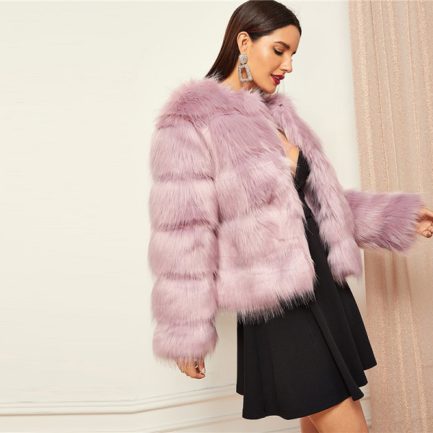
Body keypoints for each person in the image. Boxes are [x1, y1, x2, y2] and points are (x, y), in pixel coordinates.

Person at [148, 1, 433, 431]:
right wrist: (186, 331)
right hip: (278, 303)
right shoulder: (190, 122)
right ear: (244, 42)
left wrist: (399, 218)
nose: (288, 65)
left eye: (293, 54)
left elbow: (319, 206)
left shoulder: (278, 114)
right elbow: (183, 234)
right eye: (279, 50)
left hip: (323, 287)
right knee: (344, 419)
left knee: (318, 420)